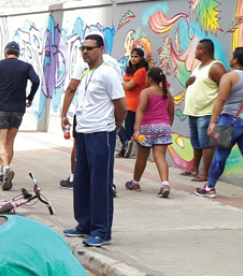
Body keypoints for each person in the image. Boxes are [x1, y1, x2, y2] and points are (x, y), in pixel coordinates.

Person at [63, 34, 127, 247]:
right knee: (81, 180)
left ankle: (102, 231)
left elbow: (122, 106)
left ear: (101, 49)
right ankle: (85, 224)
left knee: (101, 183)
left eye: (90, 48)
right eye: (83, 48)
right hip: (83, 132)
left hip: (102, 133)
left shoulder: (108, 73)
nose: (85, 52)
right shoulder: (86, 72)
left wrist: (115, 126)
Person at [196, 47, 243, 204]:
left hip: (230, 121)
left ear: (235, 60)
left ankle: (210, 188)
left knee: (220, 157)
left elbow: (220, 100)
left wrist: (212, 122)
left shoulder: (229, 77)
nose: (230, 58)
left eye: (231, 56)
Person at [0, 41, 40, 191]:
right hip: (18, 109)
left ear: (5, 53)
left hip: (1, 108)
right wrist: (30, 97)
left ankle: (6, 169)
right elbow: (36, 81)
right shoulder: (26, 66)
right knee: (9, 143)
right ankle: (2, 173)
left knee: (0, 143)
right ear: (18, 54)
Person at [59, 52, 122, 189]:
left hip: (85, 114)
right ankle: (108, 183)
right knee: (106, 149)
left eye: (88, 47)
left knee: (79, 146)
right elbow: (119, 93)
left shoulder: (84, 62)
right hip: (106, 118)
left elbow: (71, 88)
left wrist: (64, 114)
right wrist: (118, 120)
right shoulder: (113, 64)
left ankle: (75, 178)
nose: (85, 51)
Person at [124, 68, 175, 197]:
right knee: (160, 157)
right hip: (164, 127)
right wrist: (167, 126)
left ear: (150, 79)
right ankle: (165, 184)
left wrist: (137, 130)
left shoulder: (146, 92)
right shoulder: (167, 93)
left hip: (147, 128)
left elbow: (140, 110)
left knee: (142, 157)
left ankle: (135, 182)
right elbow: (171, 112)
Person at [182, 39, 226, 182]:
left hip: (207, 112)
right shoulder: (199, 67)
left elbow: (225, 88)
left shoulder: (216, 67)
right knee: (196, 142)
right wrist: (187, 83)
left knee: (206, 143)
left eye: (197, 49)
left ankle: (205, 173)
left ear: (203, 50)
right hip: (194, 111)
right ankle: (194, 168)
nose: (195, 52)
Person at [116, 48, 148, 158]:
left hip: (134, 103)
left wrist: (124, 84)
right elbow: (126, 83)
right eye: (132, 56)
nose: (133, 59)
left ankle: (125, 145)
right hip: (126, 101)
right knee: (120, 123)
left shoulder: (141, 71)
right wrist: (126, 84)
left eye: (136, 57)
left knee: (125, 126)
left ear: (141, 58)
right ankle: (125, 145)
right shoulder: (130, 69)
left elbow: (129, 85)